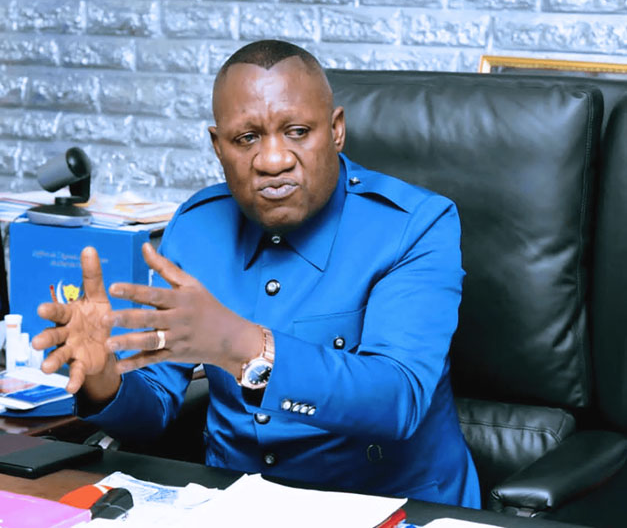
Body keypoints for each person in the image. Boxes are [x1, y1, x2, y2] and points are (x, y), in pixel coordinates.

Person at [32, 40, 480, 507]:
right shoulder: (198, 226)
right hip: (236, 504)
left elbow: (398, 400)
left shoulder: (414, 225)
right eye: (246, 138)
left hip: (389, 505)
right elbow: (155, 405)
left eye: (297, 132)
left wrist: (243, 345)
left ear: (336, 130)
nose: (272, 160)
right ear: (218, 146)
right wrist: (105, 378)